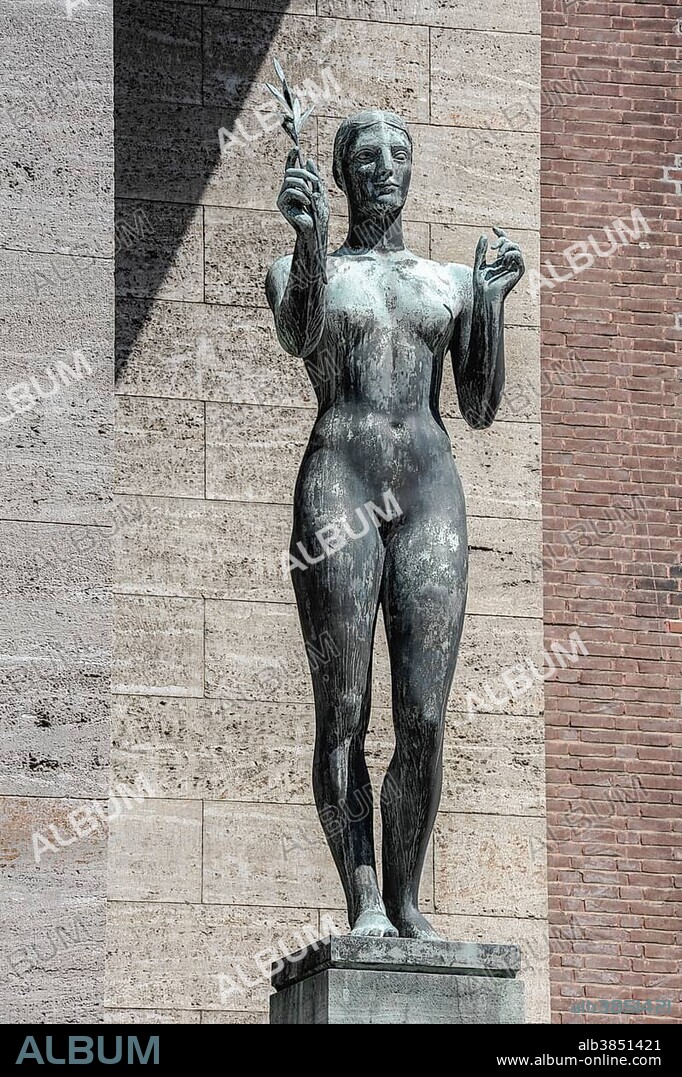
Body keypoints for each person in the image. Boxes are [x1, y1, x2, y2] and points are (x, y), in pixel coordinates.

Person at [266, 109, 525, 938]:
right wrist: (308, 243)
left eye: (398, 154)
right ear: (339, 175)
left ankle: (408, 897)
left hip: (428, 487)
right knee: (343, 705)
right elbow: (300, 333)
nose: (384, 167)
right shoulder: (301, 269)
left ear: (412, 171)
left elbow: (479, 405)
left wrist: (487, 307)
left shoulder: (445, 281)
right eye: (366, 156)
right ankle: (365, 900)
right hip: (339, 482)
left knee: (424, 712)